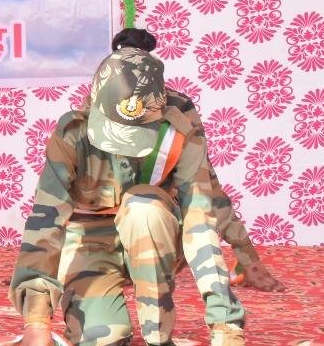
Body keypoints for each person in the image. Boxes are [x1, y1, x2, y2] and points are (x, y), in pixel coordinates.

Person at [7, 47, 259, 346]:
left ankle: (158, 336)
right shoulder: (72, 134)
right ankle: (96, 320)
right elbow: (46, 224)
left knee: (143, 206)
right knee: (101, 343)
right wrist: (37, 321)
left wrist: (227, 328)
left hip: (154, 234)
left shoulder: (179, 132)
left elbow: (200, 225)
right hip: (90, 241)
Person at [110, 27, 284, 293]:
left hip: (160, 228)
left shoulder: (177, 107)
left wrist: (248, 259)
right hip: (107, 229)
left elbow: (205, 183)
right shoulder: (98, 106)